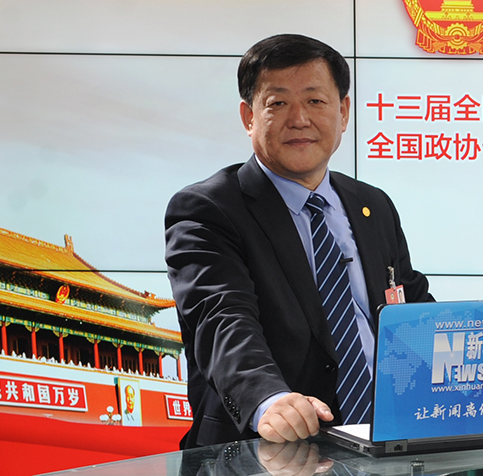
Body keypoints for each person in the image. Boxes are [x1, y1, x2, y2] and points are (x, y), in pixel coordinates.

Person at [165, 34, 433, 449]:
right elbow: (222, 320)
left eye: (315, 101)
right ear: (249, 116)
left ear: (343, 112)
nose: (299, 119)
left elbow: (412, 309)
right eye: (278, 103)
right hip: (267, 451)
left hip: (386, 443)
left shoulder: (372, 204)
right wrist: (269, 400)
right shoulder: (209, 209)